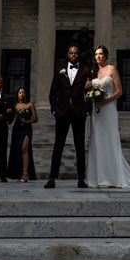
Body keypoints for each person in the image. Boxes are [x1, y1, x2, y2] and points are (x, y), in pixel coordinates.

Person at [87, 45, 130, 188]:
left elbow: (119, 91)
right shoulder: (93, 72)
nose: (98, 56)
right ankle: (98, 178)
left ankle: (113, 178)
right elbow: (85, 86)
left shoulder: (112, 69)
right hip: (96, 109)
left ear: (106, 56)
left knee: (109, 139)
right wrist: (92, 95)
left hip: (108, 107)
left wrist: (105, 101)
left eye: (101, 54)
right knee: (97, 140)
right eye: (96, 54)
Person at [45, 44, 91, 189]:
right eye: (71, 53)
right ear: (67, 55)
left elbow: (89, 92)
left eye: (76, 53)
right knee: (58, 145)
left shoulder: (85, 71)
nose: (74, 55)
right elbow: (53, 92)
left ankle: (81, 179)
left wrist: (87, 110)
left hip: (79, 113)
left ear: (79, 55)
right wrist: (54, 109)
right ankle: (52, 178)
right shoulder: (60, 71)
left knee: (80, 147)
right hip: (62, 113)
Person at [7, 88, 38, 182]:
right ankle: (18, 173)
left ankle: (25, 174)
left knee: (24, 148)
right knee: (17, 151)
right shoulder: (15, 106)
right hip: (16, 129)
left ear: (26, 95)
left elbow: (36, 119)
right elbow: (10, 122)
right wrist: (9, 113)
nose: (22, 94)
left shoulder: (30, 105)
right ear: (17, 94)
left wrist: (27, 121)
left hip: (27, 129)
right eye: (20, 93)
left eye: (24, 92)